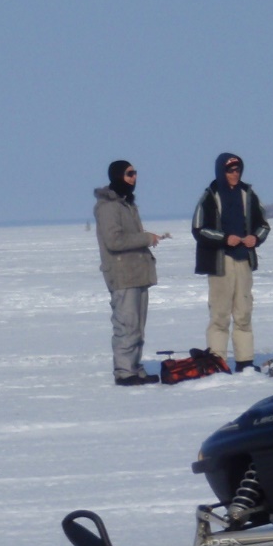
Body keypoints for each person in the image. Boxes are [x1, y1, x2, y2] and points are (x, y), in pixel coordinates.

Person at [192, 153, 270, 372]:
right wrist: (225, 238)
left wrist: (256, 238)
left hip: (243, 259)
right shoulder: (210, 196)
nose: (235, 174)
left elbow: (263, 224)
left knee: (244, 311)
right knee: (220, 314)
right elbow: (198, 230)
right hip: (220, 261)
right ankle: (217, 362)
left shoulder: (248, 194)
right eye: (230, 170)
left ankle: (245, 361)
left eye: (237, 170)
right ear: (221, 172)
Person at [93, 160, 161, 386]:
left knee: (138, 327)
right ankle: (124, 371)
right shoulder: (108, 207)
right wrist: (146, 238)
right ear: (118, 176)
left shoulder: (127, 204)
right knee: (126, 324)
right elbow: (114, 240)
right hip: (122, 276)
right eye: (129, 173)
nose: (134, 177)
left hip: (137, 273)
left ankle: (135, 368)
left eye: (135, 173)